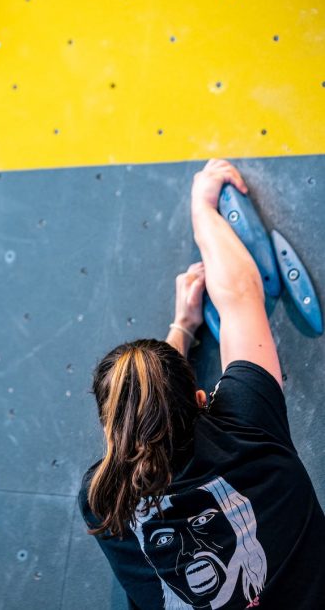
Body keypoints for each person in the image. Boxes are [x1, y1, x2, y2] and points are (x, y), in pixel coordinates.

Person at [78, 159, 325, 609]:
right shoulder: (247, 426)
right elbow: (240, 296)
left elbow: (141, 411)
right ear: (202, 399)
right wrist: (203, 207)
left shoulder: (102, 500)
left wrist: (182, 327)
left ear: (110, 427)